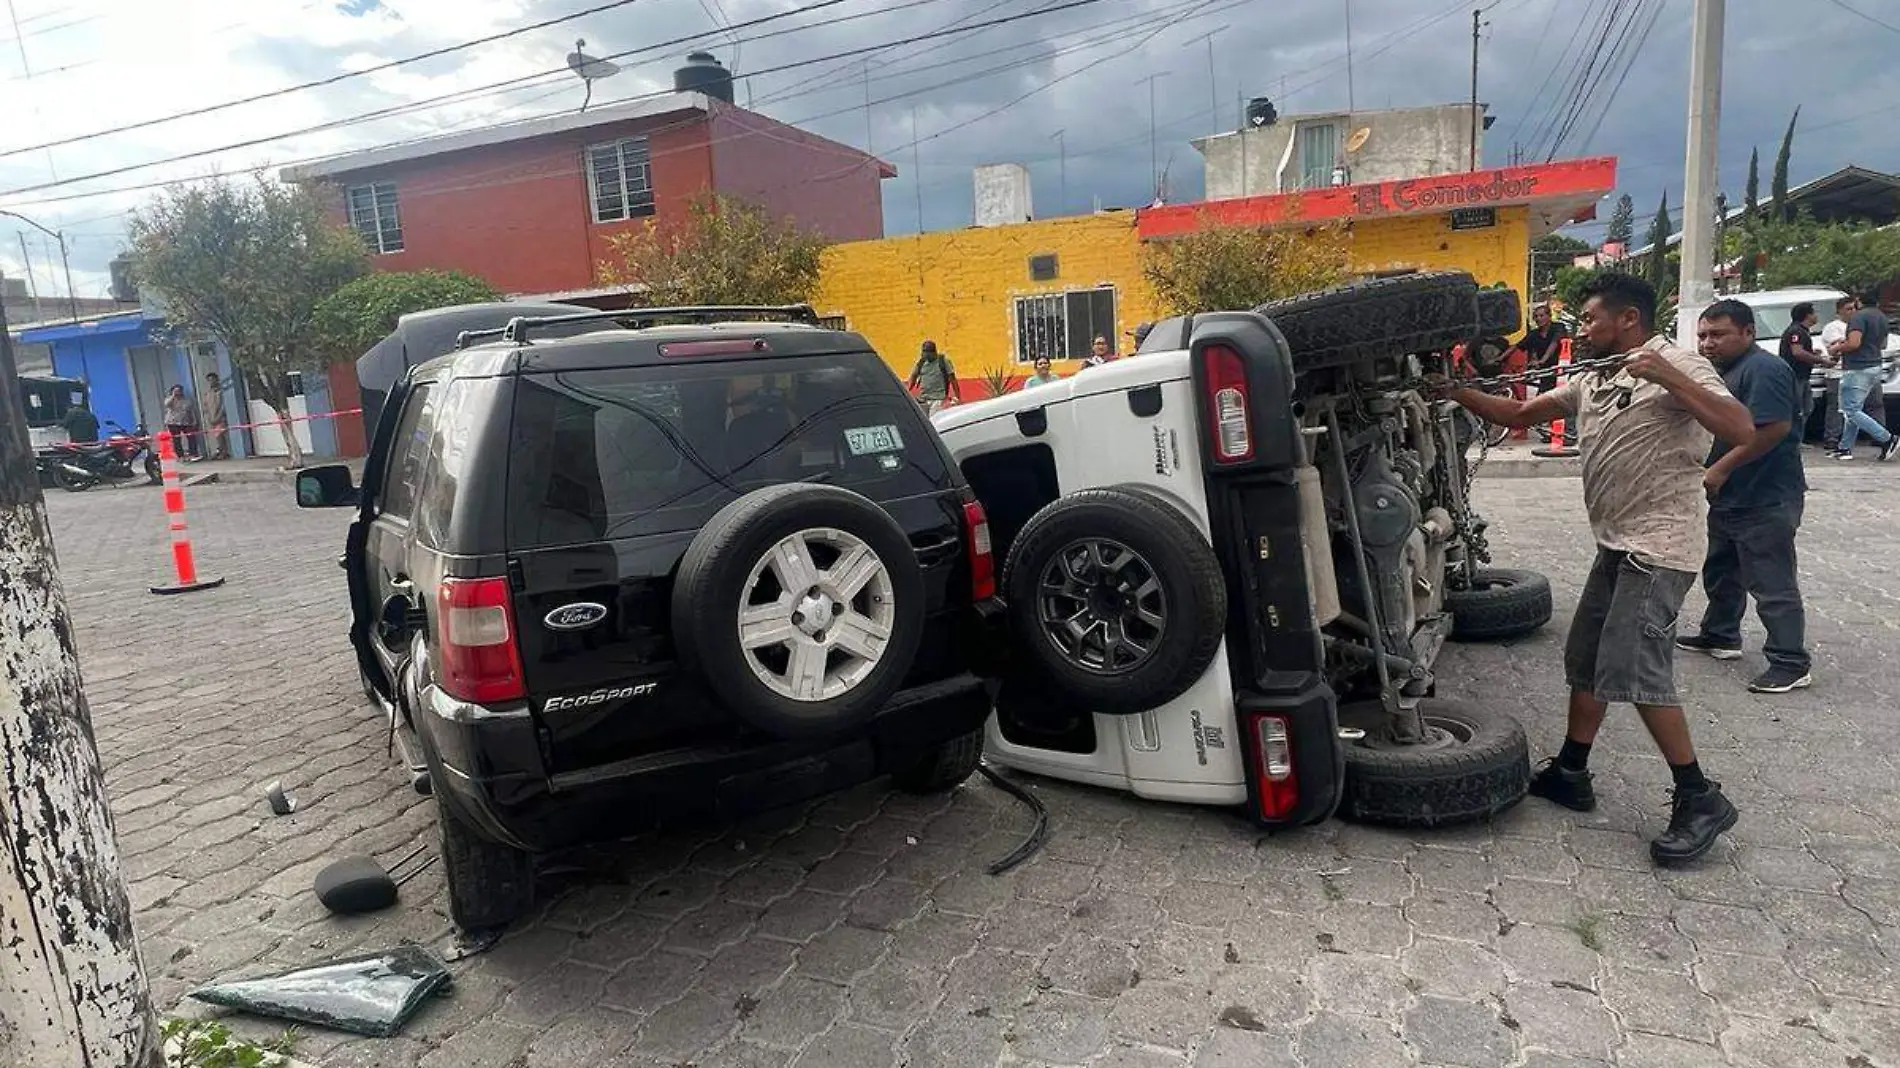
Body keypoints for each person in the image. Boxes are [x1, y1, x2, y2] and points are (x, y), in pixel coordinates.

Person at [1435, 272, 1754, 866]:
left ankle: (1699, 796)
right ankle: (1572, 771)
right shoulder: (1595, 378)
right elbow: (1523, 410)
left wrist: (1669, 378)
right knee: (1585, 658)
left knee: (1634, 669)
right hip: (1616, 544)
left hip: (1659, 548)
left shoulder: (1678, 365)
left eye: (1589, 320)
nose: (1581, 330)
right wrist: (1455, 391)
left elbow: (1740, 429)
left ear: (1628, 319)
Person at [1675, 300, 1812, 693]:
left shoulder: (1764, 369)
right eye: (1702, 335)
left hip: (1765, 495)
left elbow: (1774, 429)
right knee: (1722, 568)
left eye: (1718, 335)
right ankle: (1721, 634)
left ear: (1748, 333)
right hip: (1731, 495)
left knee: (1771, 580)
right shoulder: (1726, 371)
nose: (1707, 343)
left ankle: (1790, 661)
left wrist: (1721, 468)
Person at [1828, 288, 1897, 461]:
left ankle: (1887, 439)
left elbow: (1854, 344)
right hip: (1875, 364)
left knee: (1849, 409)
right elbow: (1883, 344)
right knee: (1854, 410)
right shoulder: (1881, 317)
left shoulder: (1858, 317)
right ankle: (1845, 447)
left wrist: (1837, 348)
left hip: (1858, 367)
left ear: (1859, 301)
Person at [1776, 302, 1829, 434]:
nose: (1816, 316)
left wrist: (1812, 353)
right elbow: (1797, 352)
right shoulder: (1796, 331)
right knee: (1797, 409)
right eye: (1814, 313)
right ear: (1807, 315)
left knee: (1807, 408)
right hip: (1795, 376)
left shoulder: (1802, 331)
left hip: (1803, 376)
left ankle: (1798, 437)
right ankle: (1792, 438)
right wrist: (1821, 360)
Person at [907, 341, 958, 415]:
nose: (925, 355)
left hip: (938, 400)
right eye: (924, 352)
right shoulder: (921, 362)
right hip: (923, 399)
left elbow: (952, 379)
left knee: (934, 420)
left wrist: (957, 397)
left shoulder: (943, 361)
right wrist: (908, 391)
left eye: (927, 352)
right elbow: (913, 376)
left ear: (933, 352)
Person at [162, 384, 200, 460]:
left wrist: (194, 421)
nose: (178, 393)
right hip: (173, 422)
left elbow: (191, 411)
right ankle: (180, 456)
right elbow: (167, 405)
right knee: (177, 440)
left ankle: (193, 454)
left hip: (185, 422)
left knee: (191, 437)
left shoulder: (187, 401)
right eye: (176, 391)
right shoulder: (170, 399)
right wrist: (173, 396)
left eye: (179, 391)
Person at [201, 371, 232, 460]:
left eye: (213, 380)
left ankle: (224, 452)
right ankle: (220, 451)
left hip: (220, 417)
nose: (211, 382)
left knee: (221, 435)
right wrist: (209, 418)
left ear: (217, 380)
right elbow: (206, 406)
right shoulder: (208, 393)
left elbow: (223, 405)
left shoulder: (221, 391)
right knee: (217, 436)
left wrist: (219, 416)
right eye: (209, 380)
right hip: (212, 418)